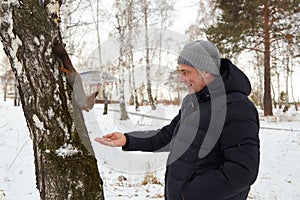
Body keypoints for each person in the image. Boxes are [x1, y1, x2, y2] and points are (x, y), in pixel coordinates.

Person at [95, 40, 260, 200]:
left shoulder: (237, 108)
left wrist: (187, 195)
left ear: (206, 71)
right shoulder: (193, 101)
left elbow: (242, 171)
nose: (181, 79)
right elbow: (169, 135)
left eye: (186, 72)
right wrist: (128, 140)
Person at [52, 41, 99, 112]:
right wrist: (65, 71)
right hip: (74, 77)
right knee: (65, 59)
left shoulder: (83, 99)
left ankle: (57, 47)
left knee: (65, 59)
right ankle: (56, 48)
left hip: (75, 77)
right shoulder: (82, 99)